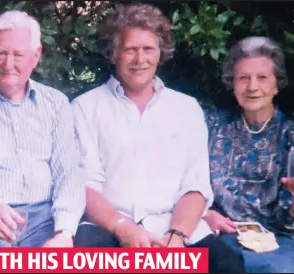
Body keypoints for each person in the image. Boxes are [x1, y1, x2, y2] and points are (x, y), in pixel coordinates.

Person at [71, 3, 245, 273]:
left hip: (176, 230)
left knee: (228, 266)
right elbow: (85, 186)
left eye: (148, 49)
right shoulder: (85, 107)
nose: (140, 59)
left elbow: (195, 185)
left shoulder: (186, 108)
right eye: (130, 49)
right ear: (113, 54)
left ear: (160, 53)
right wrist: (123, 229)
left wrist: (177, 237)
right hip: (107, 229)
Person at [0, 10, 85, 247]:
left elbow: (68, 172)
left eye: (18, 54)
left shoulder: (56, 103)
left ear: (36, 55)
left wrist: (64, 232)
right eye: (0, 53)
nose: (8, 64)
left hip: (46, 221)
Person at [204, 36, 294, 273]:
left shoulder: (290, 135)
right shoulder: (211, 125)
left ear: (277, 85)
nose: (252, 87)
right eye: (243, 78)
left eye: (262, 78)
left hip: (278, 244)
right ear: (232, 84)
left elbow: (288, 219)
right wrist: (205, 213)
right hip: (216, 235)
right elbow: (183, 179)